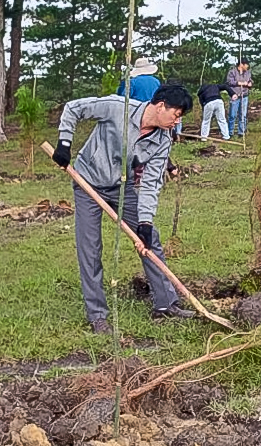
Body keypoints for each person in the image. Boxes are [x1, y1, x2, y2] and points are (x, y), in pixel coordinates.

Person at [53, 85, 196, 334]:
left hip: (123, 186)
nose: (177, 120)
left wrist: (145, 222)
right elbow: (73, 108)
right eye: (177, 114)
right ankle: (98, 316)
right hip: (88, 182)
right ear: (161, 105)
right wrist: (65, 143)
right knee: (90, 248)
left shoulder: (162, 140)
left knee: (150, 242)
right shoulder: (118, 107)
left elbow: (151, 183)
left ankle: (165, 304)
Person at [226, 60, 252, 137]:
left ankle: (241, 132)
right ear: (241, 64)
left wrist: (250, 83)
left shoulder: (248, 72)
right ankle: (230, 132)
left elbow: (250, 80)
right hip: (235, 95)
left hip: (244, 96)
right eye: (246, 64)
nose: (247, 66)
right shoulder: (232, 72)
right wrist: (239, 83)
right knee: (232, 115)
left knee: (243, 115)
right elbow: (229, 82)